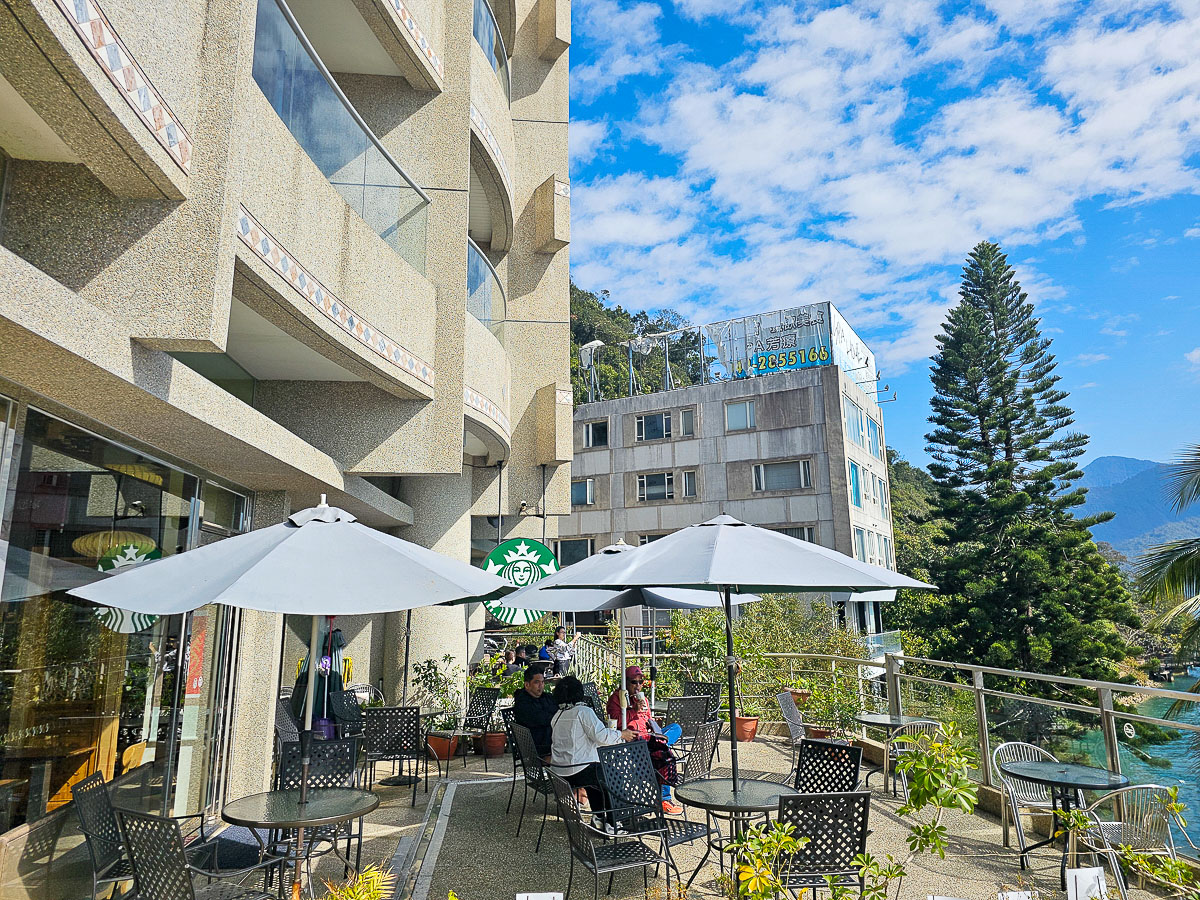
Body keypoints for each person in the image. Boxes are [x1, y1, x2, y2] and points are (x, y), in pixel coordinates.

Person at [551, 675, 635, 828]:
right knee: (612, 776)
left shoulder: (557, 715)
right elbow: (601, 736)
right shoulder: (583, 711)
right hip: (577, 770)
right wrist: (622, 734)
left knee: (597, 774)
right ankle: (613, 822)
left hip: (560, 771)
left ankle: (598, 816)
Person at [607, 665, 684, 814]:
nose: (638, 686)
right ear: (625, 682)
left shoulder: (644, 699)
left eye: (640, 682)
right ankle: (664, 799)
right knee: (663, 753)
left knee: (676, 728)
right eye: (633, 682)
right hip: (633, 739)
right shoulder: (616, 699)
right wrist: (633, 711)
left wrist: (653, 724)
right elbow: (615, 722)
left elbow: (648, 718)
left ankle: (661, 741)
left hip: (648, 735)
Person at [512, 666, 557, 757]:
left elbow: (557, 712)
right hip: (536, 746)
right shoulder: (523, 702)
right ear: (527, 685)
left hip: (550, 741)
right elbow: (543, 719)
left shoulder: (546, 697)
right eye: (537, 682)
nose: (541, 686)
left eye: (542, 682)